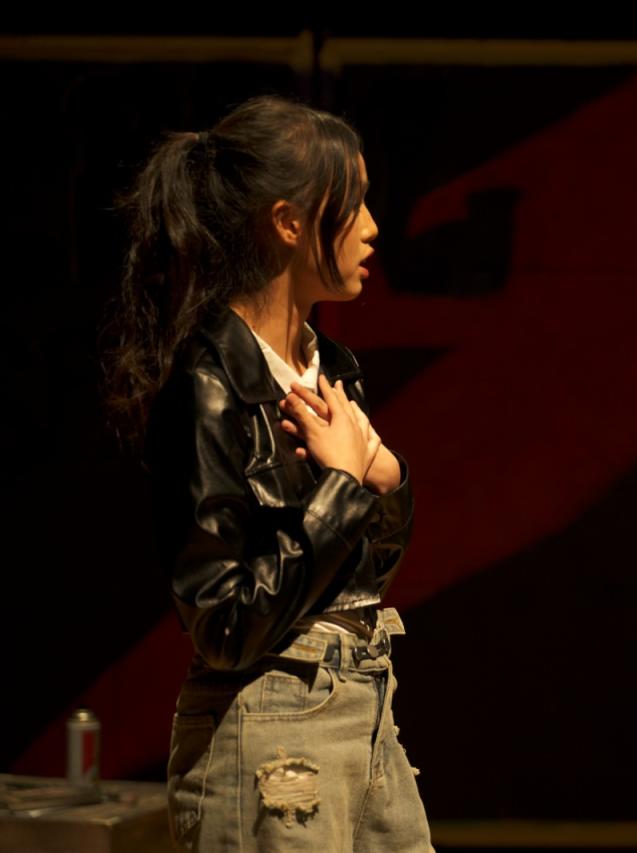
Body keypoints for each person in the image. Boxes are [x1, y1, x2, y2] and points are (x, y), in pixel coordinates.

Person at [105, 95, 434, 851]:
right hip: (271, 722)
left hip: (365, 703)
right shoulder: (210, 382)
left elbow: (364, 575)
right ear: (288, 222)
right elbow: (223, 623)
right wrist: (340, 490)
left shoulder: (331, 366)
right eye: (352, 204)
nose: (372, 227)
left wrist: (385, 480)